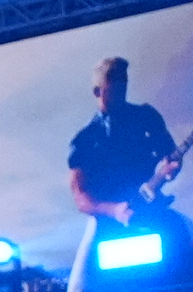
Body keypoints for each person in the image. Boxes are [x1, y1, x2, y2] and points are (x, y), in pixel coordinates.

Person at [65, 55, 182, 217]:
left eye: (123, 83)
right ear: (97, 91)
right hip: (109, 223)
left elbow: (171, 155)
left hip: (152, 209)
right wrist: (113, 210)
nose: (120, 90)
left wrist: (170, 170)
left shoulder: (146, 117)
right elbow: (80, 196)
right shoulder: (84, 140)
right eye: (113, 84)